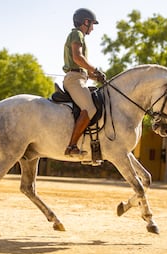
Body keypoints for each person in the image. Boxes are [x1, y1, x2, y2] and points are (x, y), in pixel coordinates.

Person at [63, 8, 106, 157]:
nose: (92, 28)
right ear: (85, 22)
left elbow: (81, 66)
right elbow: (77, 58)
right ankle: (71, 146)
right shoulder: (77, 34)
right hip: (74, 80)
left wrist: (95, 77)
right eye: (92, 24)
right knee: (90, 108)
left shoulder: (79, 35)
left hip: (79, 77)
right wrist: (95, 69)